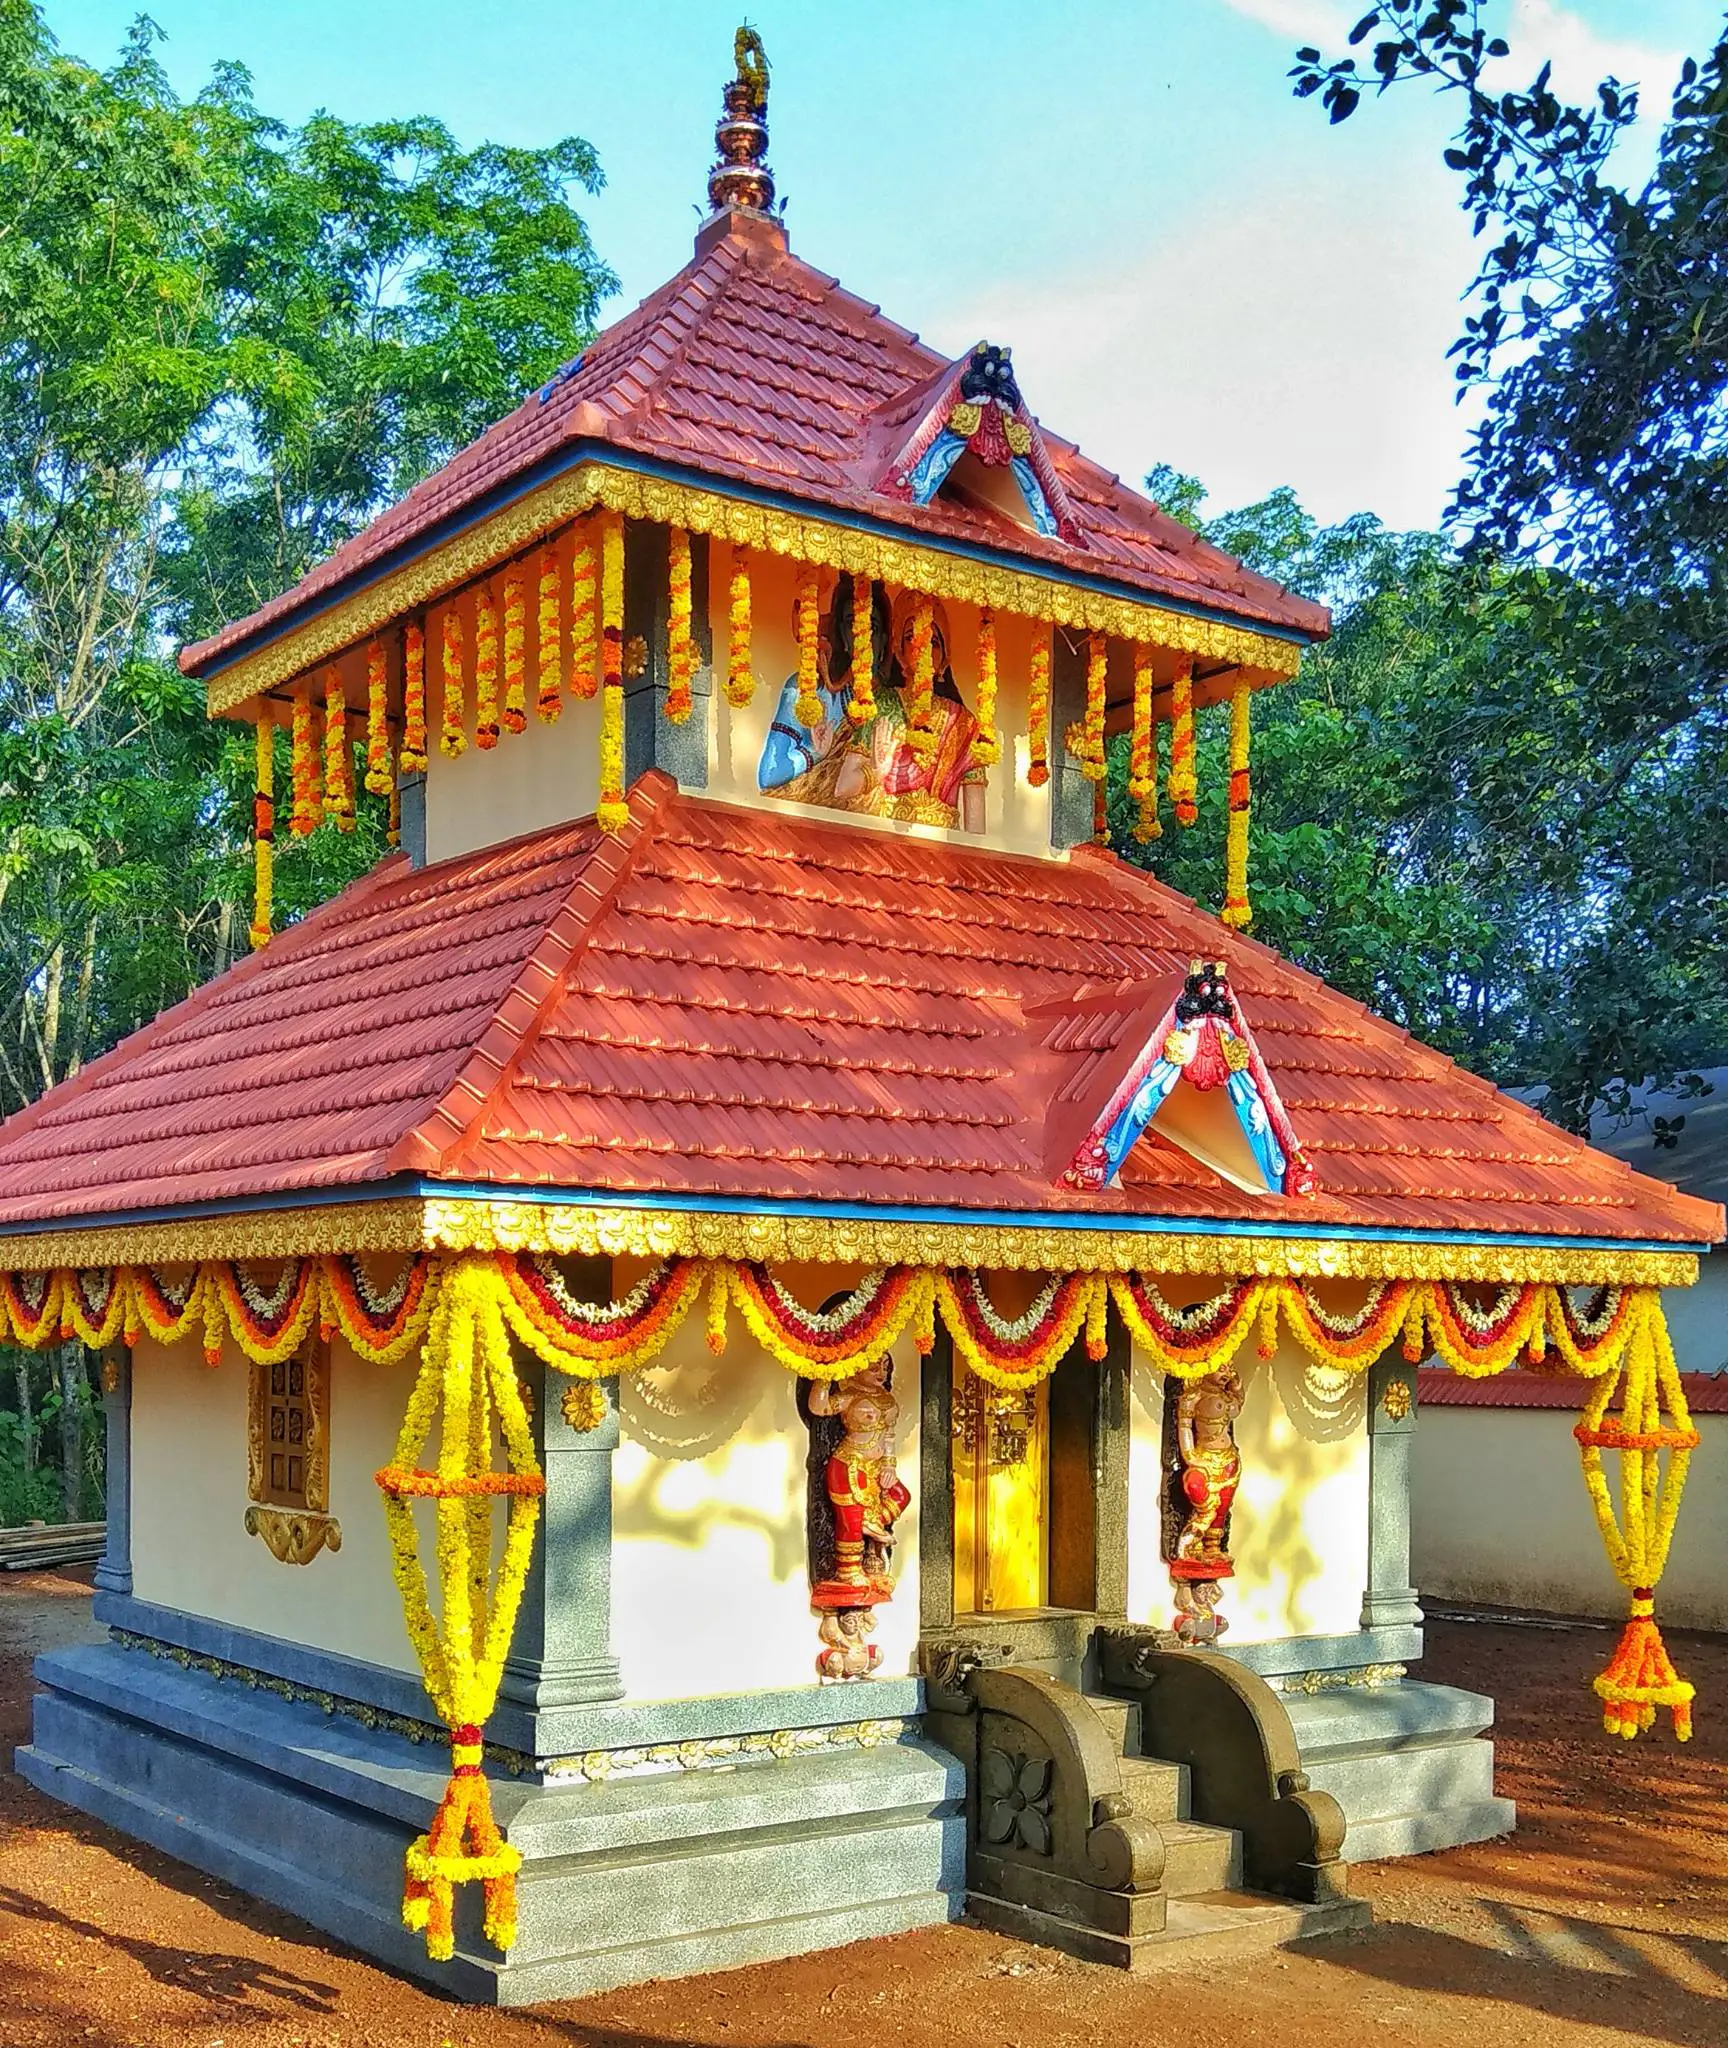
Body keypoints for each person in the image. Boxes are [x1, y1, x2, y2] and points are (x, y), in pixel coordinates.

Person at [757, 580, 987, 830]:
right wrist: (865, 768)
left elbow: (976, 831)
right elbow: (834, 786)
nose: (863, 636)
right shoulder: (875, 702)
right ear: (899, 650)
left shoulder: (966, 724)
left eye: (933, 641)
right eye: (911, 637)